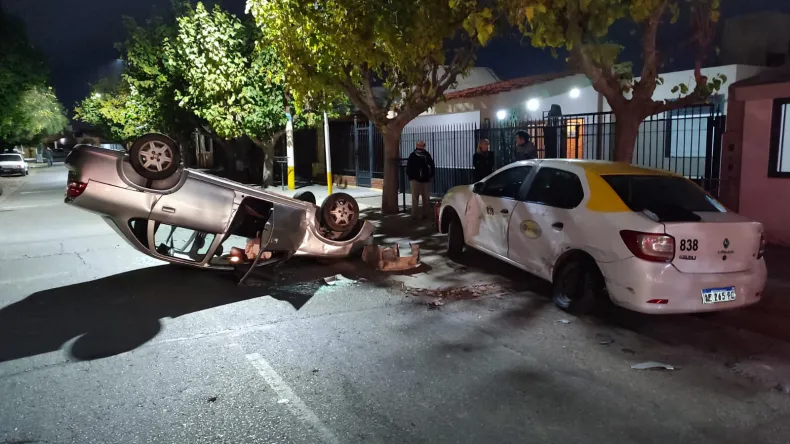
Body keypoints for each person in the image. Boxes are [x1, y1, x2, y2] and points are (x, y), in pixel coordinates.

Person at [406, 140, 435, 220]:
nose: (420, 147)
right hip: (415, 179)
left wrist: (431, 175)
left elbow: (432, 165)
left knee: (426, 198)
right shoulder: (412, 155)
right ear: (417, 146)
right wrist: (411, 177)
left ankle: (426, 214)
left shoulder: (427, 155)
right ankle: (414, 215)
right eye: (419, 145)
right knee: (415, 198)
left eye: (422, 145)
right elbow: (408, 167)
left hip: (425, 179)